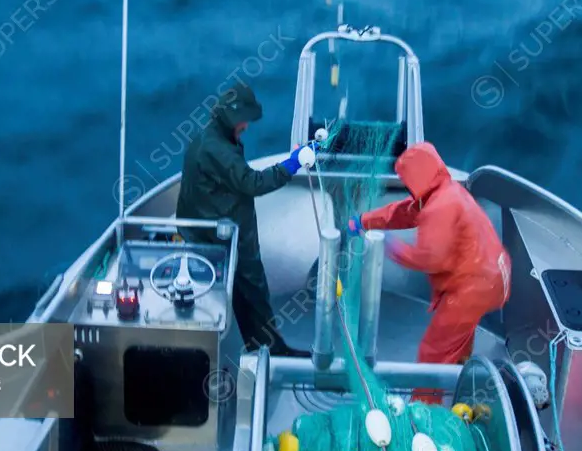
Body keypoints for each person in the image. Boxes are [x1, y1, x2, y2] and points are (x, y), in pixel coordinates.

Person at [348, 141, 511, 403]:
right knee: (458, 339)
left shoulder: (439, 207)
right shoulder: (444, 192)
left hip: (473, 287)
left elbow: (432, 259)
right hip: (493, 276)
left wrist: (392, 247)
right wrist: (364, 221)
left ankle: (423, 411)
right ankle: (459, 376)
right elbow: (402, 213)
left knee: (433, 351)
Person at [176, 81, 312, 358]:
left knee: (240, 293)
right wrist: (293, 163)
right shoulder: (218, 150)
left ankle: (257, 346)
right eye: (243, 121)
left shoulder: (210, 138)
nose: (247, 127)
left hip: (205, 228)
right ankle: (272, 352)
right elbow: (253, 183)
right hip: (223, 234)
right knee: (253, 289)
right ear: (231, 119)